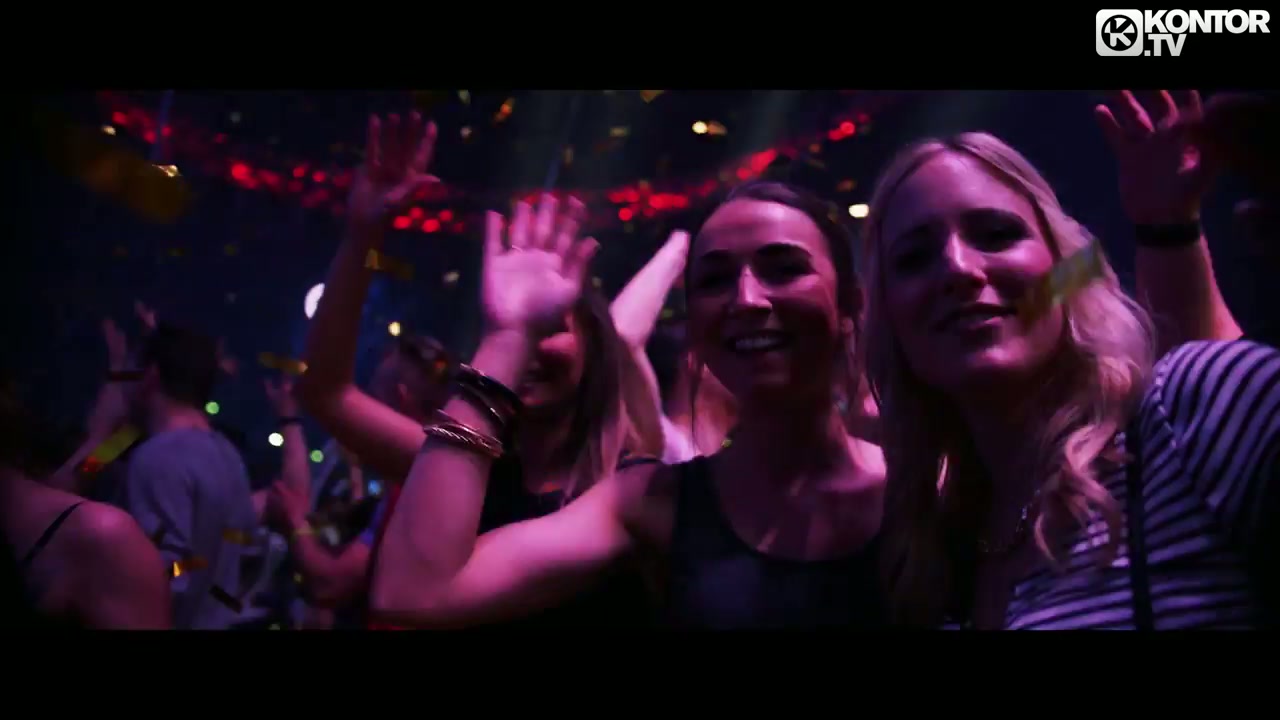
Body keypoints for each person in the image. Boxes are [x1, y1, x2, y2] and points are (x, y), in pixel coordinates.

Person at [371, 179, 890, 629]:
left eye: (784, 268)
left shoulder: (918, 491)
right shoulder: (652, 502)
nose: (747, 299)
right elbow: (413, 590)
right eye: (714, 280)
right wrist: (509, 336)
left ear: (851, 302)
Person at [860, 125, 1279, 629]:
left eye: (996, 235)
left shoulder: (1193, 409)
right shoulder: (930, 547)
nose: (958, 268)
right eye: (913, 258)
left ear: (1063, 269)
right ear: (888, 317)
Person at [298, 112, 656, 628]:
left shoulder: (631, 490)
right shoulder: (467, 471)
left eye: (547, 327)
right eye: (512, 327)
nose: (527, 346)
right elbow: (327, 392)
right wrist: (362, 235)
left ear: (594, 349)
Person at [0, 373, 170, 629]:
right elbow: (68, 481)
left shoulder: (154, 457)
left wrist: (111, 433)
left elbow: (76, 476)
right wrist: (111, 434)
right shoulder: (216, 452)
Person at [117, 322, 258, 629]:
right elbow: (246, 552)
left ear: (150, 376)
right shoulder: (229, 455)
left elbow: (167, 572)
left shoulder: (157, 458)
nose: (121, 386)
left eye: (128, 374)